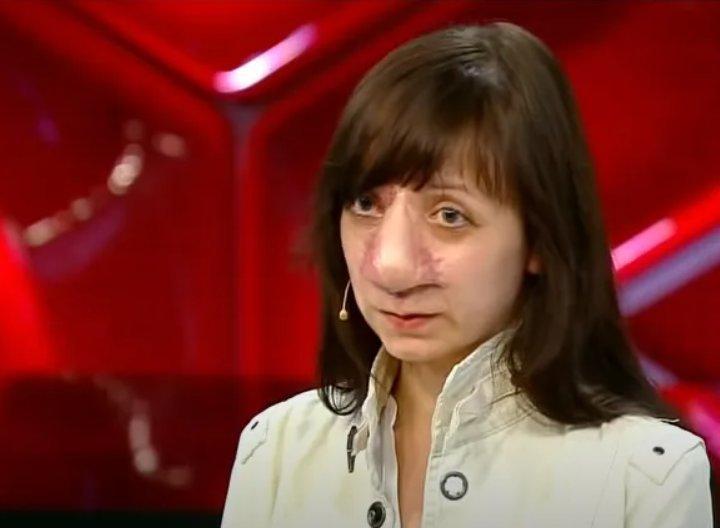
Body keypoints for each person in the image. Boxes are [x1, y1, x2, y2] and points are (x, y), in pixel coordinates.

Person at [221, 21, 713, 528]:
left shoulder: (644, 476)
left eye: (450, 215)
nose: (392, 266)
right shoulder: (278, 450)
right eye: (366, 204)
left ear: (539, 240)